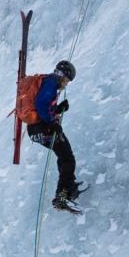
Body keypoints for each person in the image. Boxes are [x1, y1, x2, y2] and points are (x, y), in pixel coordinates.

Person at [26, 60, 83, 208]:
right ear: (63, 77)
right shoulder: (51, 84)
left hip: (37, 129)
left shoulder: (48, 82)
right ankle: (62, 196)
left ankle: (68, 189)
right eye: (67, 81)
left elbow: (43, 106)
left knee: (64, 157)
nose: (66, 85)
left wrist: (58, 109)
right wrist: (53, 123)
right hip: (42, 129)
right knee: (67, 159)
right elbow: (40, 105)